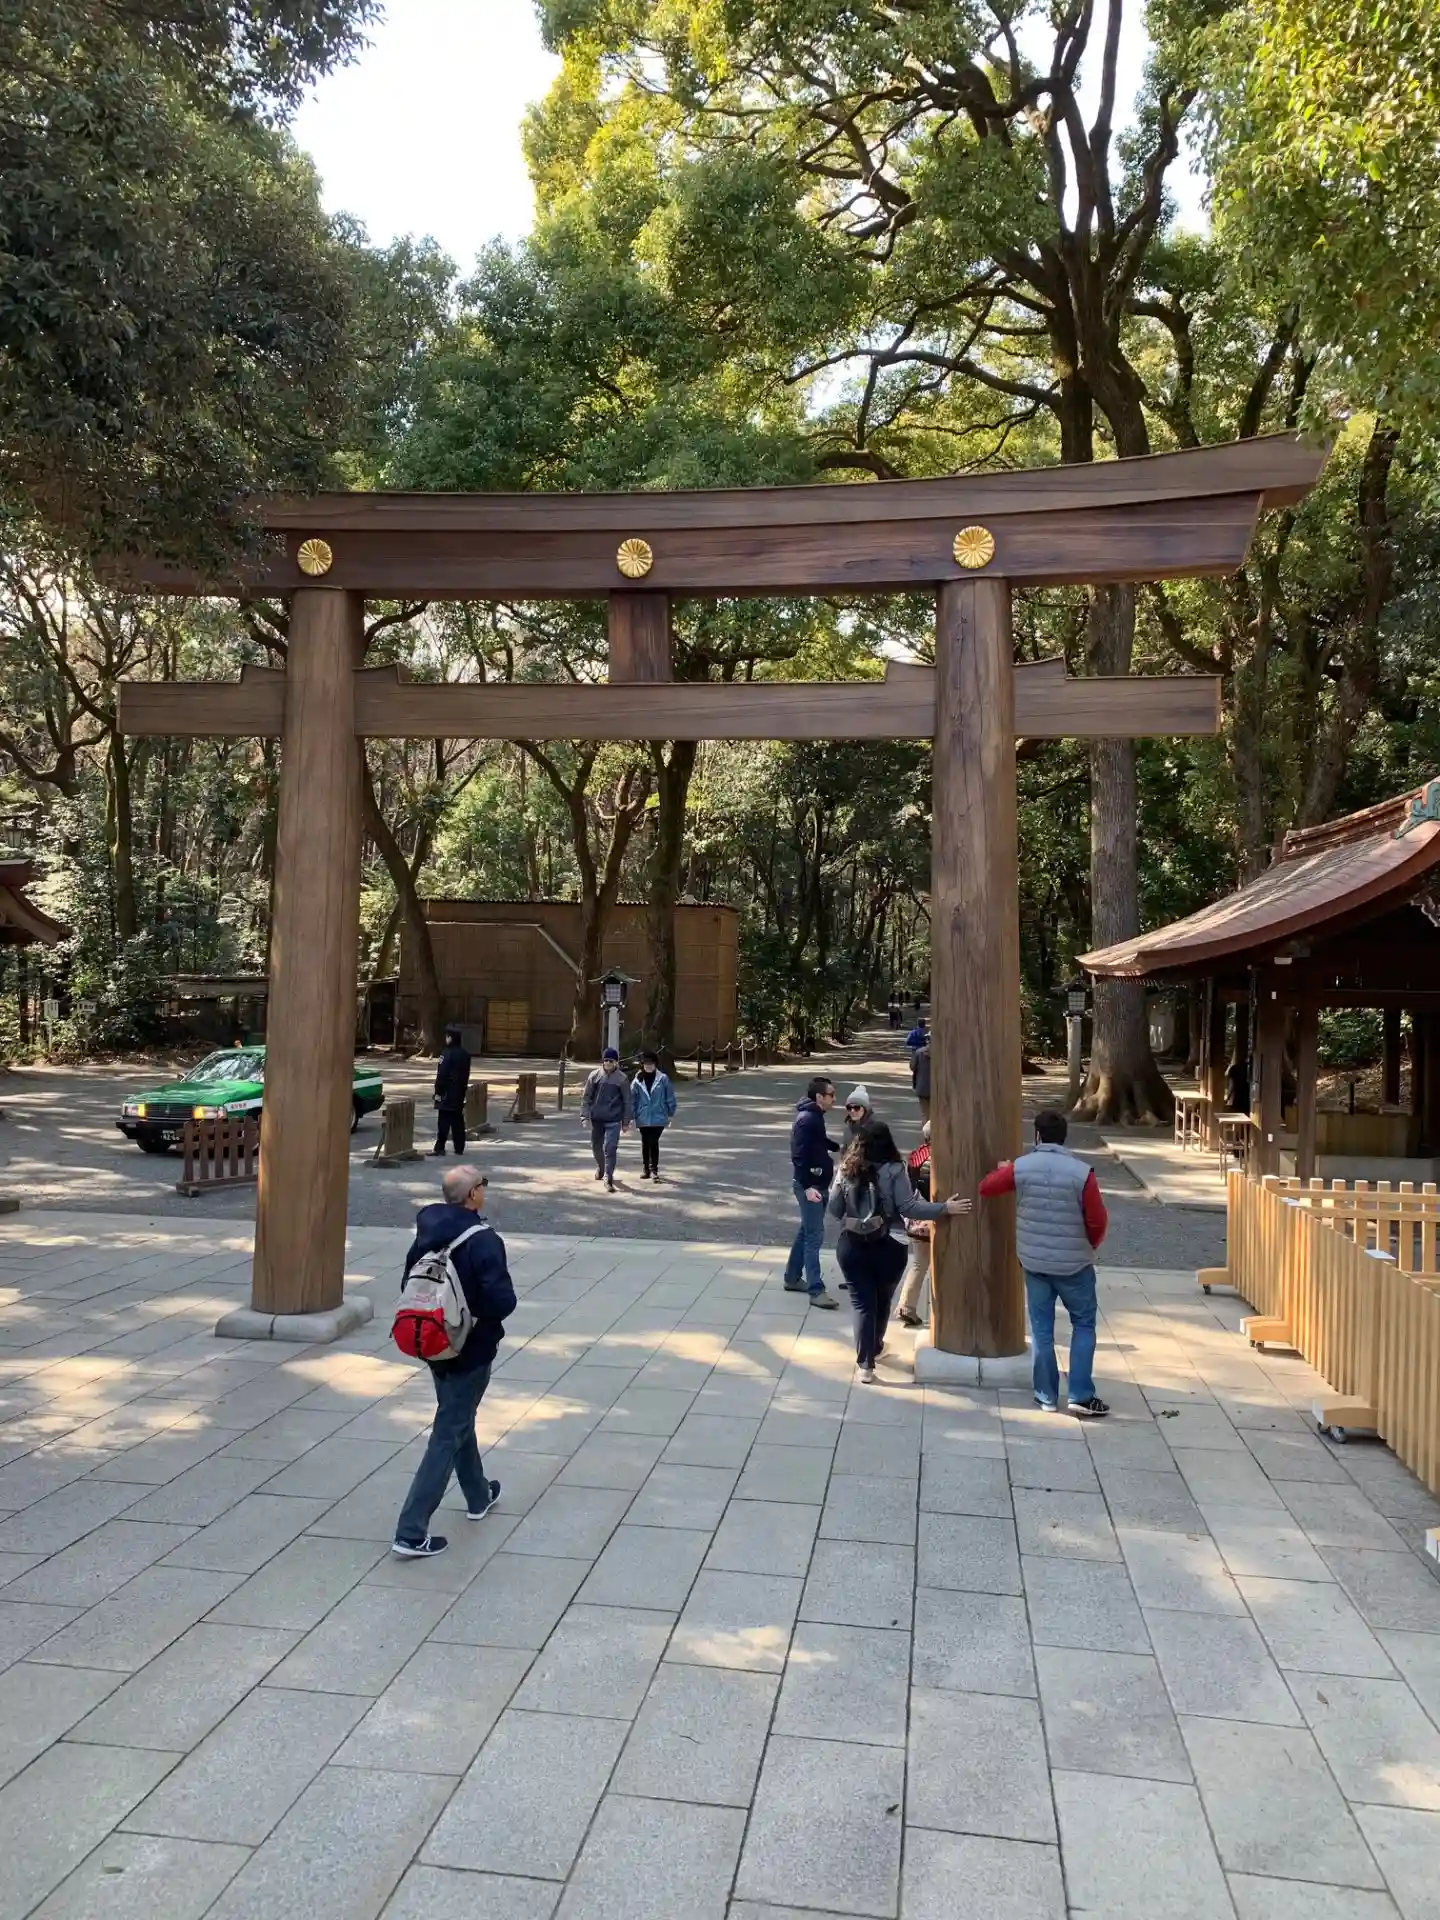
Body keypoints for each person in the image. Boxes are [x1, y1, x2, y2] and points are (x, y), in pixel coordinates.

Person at [392, 1164, 517, 1558]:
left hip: (432, 1341)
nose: (485, 1189)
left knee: (458, 1416)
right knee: (449, 1430)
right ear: (473, 1194)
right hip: (471, 1347)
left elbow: (408, 1282)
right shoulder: (483, 1240)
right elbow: (502, 1301)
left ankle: (478, 1495)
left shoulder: (427, 1232)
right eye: (483, 1184)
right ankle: (411, 1531)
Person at [979, 1109, 1110, 1418]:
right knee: (1083, 1324)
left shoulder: (1021, 1167)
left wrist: (1006, 1169)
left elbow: (986, 1187)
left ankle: (1046, 1396)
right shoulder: (1082, 1173)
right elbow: (1097, 1219)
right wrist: (1089, 1245)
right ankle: (1080, 1394)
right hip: (1075, 1264)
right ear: (1064, 1138)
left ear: (1037, 1135)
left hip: (1035, 1262)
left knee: (1041, 1331)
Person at [828, 1119, 970, 1382]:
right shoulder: (894, 1169)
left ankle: (865, 1365)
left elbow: (834, 1210)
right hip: (889, 1245)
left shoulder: (846, 1168)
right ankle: (876, 1346)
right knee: (882, 1300)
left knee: (861, 1304)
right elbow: (908, 1207)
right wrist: (944, 1208)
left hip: (852, 1244)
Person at [783, 1075, 841, 1308]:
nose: (834, 1099)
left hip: (815, 1184)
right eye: (831, 1095)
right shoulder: (807, 1119)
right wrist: (807, 1187)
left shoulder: (814, 1117)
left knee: (806, 1232)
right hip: (811, 1187)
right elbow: (798, 1155)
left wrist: (836, 1146)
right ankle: (816, 1291)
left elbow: (817, 1141)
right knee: (814, 1237)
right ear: (819, 1097)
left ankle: (792, 1277)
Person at [895, 1122, 932, 1327]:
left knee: (919, 1263)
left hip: (916, 1216)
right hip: (934, 1216)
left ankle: (906, 1306)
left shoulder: (917, 1155)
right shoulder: (937, 1158)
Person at [582, 1047, 633, 1191]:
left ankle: (608, 1177)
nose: (608, 1063)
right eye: (606, 1060)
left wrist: (626, 1121)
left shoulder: (622, 1079)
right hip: (597, 1118)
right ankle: (601, 1167)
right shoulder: (595, 1076)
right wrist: (585, 1116)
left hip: (613, 1120)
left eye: (611, 1061)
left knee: (610, 1148)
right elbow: (586, 1097)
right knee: (596, 1146)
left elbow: (627, 1101)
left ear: (616, 1062)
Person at [631, 1047, 677, 1181]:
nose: (649, 1066)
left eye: (651, 1064)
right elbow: (632, 1099)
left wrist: (670, 1112)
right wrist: (631, 1115)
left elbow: (670, 1097)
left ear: (655, 1064)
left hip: (659, 1115)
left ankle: (654, 1170)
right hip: (643, 1116)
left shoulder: (663, 1079)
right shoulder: (637, 1080)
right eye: (646, 1064)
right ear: (642, 1065)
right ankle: (646, 1169)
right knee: (645, 1142)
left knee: (653, 1140)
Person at [431, 1025, 470, 1156]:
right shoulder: (465, 1054)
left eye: (447, 1036)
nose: (445, 1039)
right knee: (458, 1120)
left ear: (450, 1038)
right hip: (459, 1092)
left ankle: (440, 1147)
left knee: (443, 1120)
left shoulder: (446, 1053)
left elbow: (442, 1074)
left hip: (447, 1092)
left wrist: (438, 1092)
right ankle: (459, 1147)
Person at [913, 1039, 932, 1124]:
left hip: (922, 1087)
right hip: (939, 1088)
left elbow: (913, 1067)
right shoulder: (942, 1053)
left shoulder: (919, 1052)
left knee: (925, 1113)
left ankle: (927, 1130)